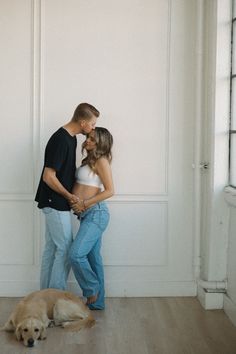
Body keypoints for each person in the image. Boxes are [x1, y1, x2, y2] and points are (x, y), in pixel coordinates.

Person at [35, 103, 100, 290]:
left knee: (52, 249)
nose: (93, 128)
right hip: (54, 202)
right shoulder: (61, 140)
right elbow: (48, 176)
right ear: (82, 122)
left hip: (56, 202)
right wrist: (69, 196)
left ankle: (45, 296)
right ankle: (55, 299)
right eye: (92, 124)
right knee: (64, 250)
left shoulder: (71, 139)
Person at [69, 127, 114, 310]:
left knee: (75, 254)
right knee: (93, 258)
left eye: (93, 139)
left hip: (96, 213)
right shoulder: (88, 160)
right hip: (86, 216)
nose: (88, 140)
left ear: (101, 143)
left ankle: (91, 289)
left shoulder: (102, 161)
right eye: (88, 137)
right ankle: (98, 302)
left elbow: (110, 191)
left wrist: (84, 204)